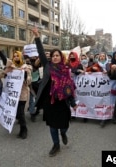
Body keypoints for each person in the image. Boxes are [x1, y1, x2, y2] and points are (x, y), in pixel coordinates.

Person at [32, 27, 77, 157]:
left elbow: (69, 88)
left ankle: (63, 133)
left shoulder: (65, 70)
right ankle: (56, 145)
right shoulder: (47, 66)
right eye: (53, 56)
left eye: (57, 55)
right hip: (49, 101)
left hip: (62, 102)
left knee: (64, 124)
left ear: (61, 57)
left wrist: (73, 102)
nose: (55, 57)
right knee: (52, 125)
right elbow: (41, 52)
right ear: (51, 58)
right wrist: (37, 37)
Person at [0, 45, 32, 139]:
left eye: (17, 55)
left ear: (21, 57)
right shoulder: (11, 67)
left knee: (20, 112)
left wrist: (25, 75)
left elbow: (29, 80)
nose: (15, 57)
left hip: (22, 94)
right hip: (11, 95)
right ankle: (20, 127)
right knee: (16, 113)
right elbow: (4, 62)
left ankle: (24, 130)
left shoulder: (27, 67)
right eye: (14, 56)